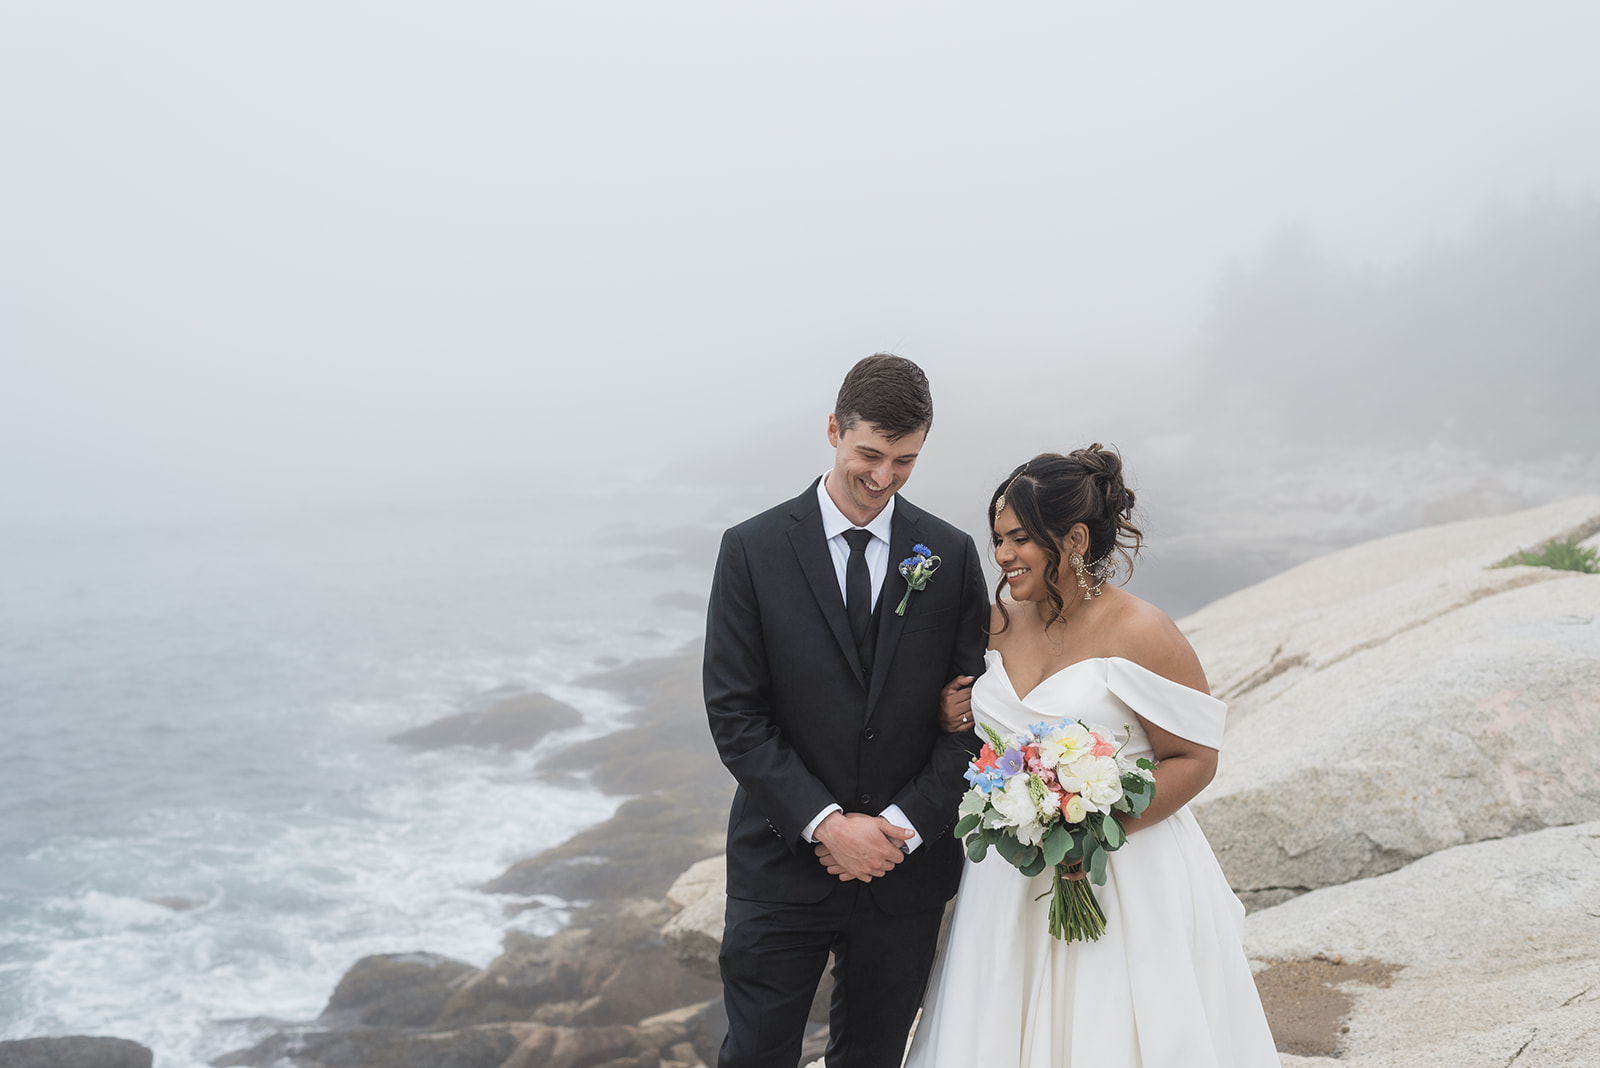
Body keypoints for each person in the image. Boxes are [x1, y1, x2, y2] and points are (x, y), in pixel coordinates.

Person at [902, 447, 1280, 1068]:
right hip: (1009, 875)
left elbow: (1194, 757)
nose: (1001, 557)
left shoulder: (1141, 631)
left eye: (1020, 539)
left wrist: (1091, 834)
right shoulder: (994, 624)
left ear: (1073, 537)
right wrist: (955, 718)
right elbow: (988, 736)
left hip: (1122, 871)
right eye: (997, 540)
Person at [703, 354, 989, 1068]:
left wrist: (897, 828)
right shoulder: (751, 550)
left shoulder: (949, 557)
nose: (883, 477)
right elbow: (736, 715)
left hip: (906, 874)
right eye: (868, 454)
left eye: (904, 460)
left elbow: (974, 719)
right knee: (756, 1055)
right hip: (781, 864)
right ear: (833, 429)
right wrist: (826, 824)